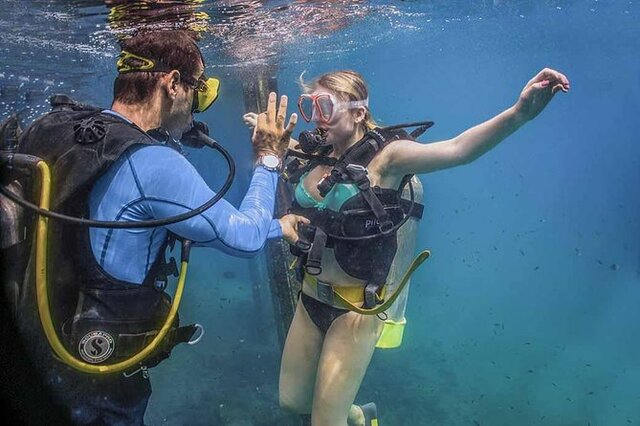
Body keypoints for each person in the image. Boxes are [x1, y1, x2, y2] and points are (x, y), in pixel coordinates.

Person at [5, 30, 304, 425]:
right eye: (199, 92)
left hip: (33, 354)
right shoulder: (154, 163)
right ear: (173, 83)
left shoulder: (58, 128)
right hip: (96, 386)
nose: (199, 109)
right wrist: (269, 161)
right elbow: (245, 237)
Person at [244, 67, 570, 425]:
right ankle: (357, 415)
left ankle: (347, 417)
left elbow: (458, 149)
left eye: (324, 106)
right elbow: (285, 152)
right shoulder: (318, 152)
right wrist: (267, 139)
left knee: (324, 423)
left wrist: (519, 113)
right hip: (310, 298)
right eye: (310, 107)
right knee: (292, 402)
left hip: (356, 310)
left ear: (358, 112)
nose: (315, 119)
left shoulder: (389, 159)